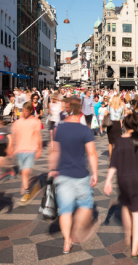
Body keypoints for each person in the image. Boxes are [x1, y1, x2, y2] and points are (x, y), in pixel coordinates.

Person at [104, 113, 138, 259]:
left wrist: (108, 181)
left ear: (125, 125)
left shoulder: (119, 141)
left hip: (123, 180)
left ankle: (128, 234)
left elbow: (113, 163)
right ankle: (134, 249)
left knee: (126, 204)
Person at [48, 98, 98, 254]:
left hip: (62, 174)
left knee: (65, 210)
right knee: (86, 205)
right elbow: (92, 153)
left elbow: (54, 150)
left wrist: (52, 169)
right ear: (80, 111)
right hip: (81, 175)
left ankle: (66, 242)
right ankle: (77, 227)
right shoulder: (85, 130)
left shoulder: (58, 127)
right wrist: (95, 173)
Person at [11, 102, 43, 203]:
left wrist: (39, 149)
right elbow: (13, 135)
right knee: (23, 172)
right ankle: (27, 183)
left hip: (31, 149)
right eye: (22, 111)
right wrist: (11, 147)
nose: (23, 113)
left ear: (30, 111)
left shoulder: (35, 121)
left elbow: (39, 137)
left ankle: (26, 192)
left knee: (25, 172)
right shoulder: (18, 122)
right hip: (20, 150)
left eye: (26, 111)